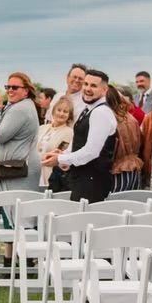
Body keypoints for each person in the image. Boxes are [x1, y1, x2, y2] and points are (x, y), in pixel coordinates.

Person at [41, 69, 117, 203]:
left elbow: (91, 152)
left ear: (105, 90)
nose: (87, 89)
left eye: (93, 86)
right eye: (86, 84)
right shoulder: (89, 109)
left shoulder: (101, 113)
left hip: (92, 183)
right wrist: (63, 154)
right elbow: (79, 141)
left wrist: (61, 159)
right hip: (81, 179)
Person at [109, 87, 143, 192]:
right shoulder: (131, 118)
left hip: (117, 170)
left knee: (113, 205)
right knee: (130, 203)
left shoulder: (111, 118)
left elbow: (111, 149)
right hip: (134, 170)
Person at [37, 96, 75, 189]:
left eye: (65, 112)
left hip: (50, 177)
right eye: (59, 110)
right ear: (53, 111)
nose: (61, 114)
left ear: (69, 116)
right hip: (34, 173)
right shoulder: (42, 128)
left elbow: (57, 155)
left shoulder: (69, 132)